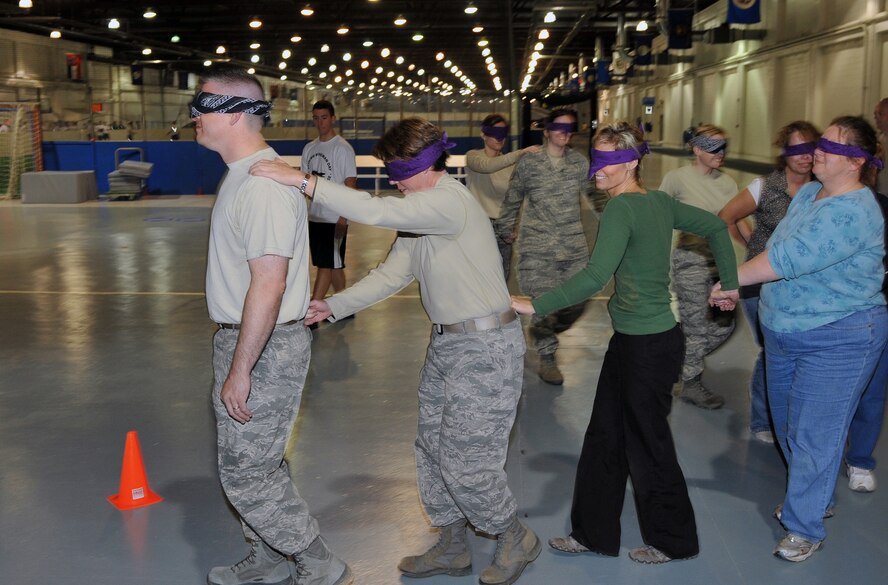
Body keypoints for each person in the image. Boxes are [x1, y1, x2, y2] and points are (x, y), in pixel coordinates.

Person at [250, 117, 540, 585]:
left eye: (395, 172)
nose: (391, 181)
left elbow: (378, 212)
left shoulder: (445, 203)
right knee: (431, 449)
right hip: (447, 344)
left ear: (420, 166)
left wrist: (304, 181)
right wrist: (333, 305)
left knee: (469, 459)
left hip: (486, 349)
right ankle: (451, 543)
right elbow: (393, 274)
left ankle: (513, 535)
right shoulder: (421, 214)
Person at [512, 122, 739, 564]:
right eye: (594, 159)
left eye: (607, 162)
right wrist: (726, 283)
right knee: (604, 436)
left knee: (648, 444)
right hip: (637, 341)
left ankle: (675, 541)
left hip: (649, 346)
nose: (597, 170)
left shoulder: (622, 209)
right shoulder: (657, 201)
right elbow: (715, 226)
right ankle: (593, 533)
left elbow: (597, 276)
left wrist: (536, 303)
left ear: (631, 163)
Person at [190, 67, 353, 585]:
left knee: (246, 472)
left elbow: (269, 284)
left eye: (204, 104)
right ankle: (266, 556)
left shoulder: (262, 184)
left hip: (261, 347)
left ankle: (317, 560)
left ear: (235, 115)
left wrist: (242, 369)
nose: (194, 114)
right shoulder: (242, 173)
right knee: (254, 460)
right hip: (243, 338)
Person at [710, 116, 888, 562]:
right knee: (788, 424)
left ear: (856, 162)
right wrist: (745, 283)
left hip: (838, 336)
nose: (818, 149)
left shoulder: (855, 210)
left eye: (831, 146)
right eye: (820, 141)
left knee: (816, 434)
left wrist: (731, 281)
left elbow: (790, 258)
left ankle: (804, 525)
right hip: (784, 332)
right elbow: (774, 247)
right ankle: (818, 496)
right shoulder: (809, 192)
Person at [718, 121, 821, 444]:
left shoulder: (821, 189)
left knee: (796, 351)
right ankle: (764, 419)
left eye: (810, 150)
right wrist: (749, 244)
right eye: (797, 150)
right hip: (759, 285)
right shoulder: (765, 186)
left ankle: (793, 414)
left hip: (801, 284)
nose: (805, 158)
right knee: (770, 348)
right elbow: (726, 217)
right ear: (784, 153)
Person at [495, 108, 589, 385]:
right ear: (546, 131)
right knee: (542, 304)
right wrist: (505, 229)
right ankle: (548, 358)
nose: (564, 132)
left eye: (570, 127)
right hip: (537, 249)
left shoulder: (579, 164)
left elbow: (596, 198)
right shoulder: (530, 163)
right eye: (558, 127)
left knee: (580, 299)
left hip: (573, 248)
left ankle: (546, 329)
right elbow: (513, 198)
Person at [659, 124, 738, 409]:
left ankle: (676, 357)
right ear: (697, 149)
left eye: (724, 146)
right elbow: (658, 220)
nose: (722, 153)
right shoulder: (676, 179)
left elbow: (732, 222)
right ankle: (690, 383)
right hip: (689, 260)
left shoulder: (728, 183)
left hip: (718, 261)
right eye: (714, 147)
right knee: (695, 325)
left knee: (724, 324)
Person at [465, 114, 540, 279]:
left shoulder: (511, 164)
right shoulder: (473, 157)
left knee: (502, 273)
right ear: (483, 134)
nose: (500, 138)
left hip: (503, 224)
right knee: (478, 272)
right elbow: (487, 166)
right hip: (480, 224)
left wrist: (515, 224)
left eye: (503, 132)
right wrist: (520, 153)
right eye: (494, 132)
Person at [301, 100, 357, 306]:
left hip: (334, 218)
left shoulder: (343, 149)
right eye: (316, 118)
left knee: (325, 265)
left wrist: (344, 217)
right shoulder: (309, 148)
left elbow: (350, 184)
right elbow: (305, 182)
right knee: (332, 264)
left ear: (333, 119)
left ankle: (313, 312)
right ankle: (345, 306)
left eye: (324, 117)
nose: (320, 122)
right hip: (315, 216)